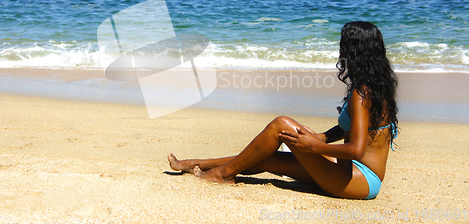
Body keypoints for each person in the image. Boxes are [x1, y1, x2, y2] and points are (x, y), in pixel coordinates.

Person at [168, 21, 398, 200]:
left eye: (343, 45)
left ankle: (223, 174)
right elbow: (354, 129)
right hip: (351, 171)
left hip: (360, 179)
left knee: (281, 124)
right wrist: (322, 137)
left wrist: (314, 146)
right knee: (269, 158)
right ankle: (198, 163)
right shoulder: (376, 86)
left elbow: (357, 150)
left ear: (354, 51)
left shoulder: (362, 94)